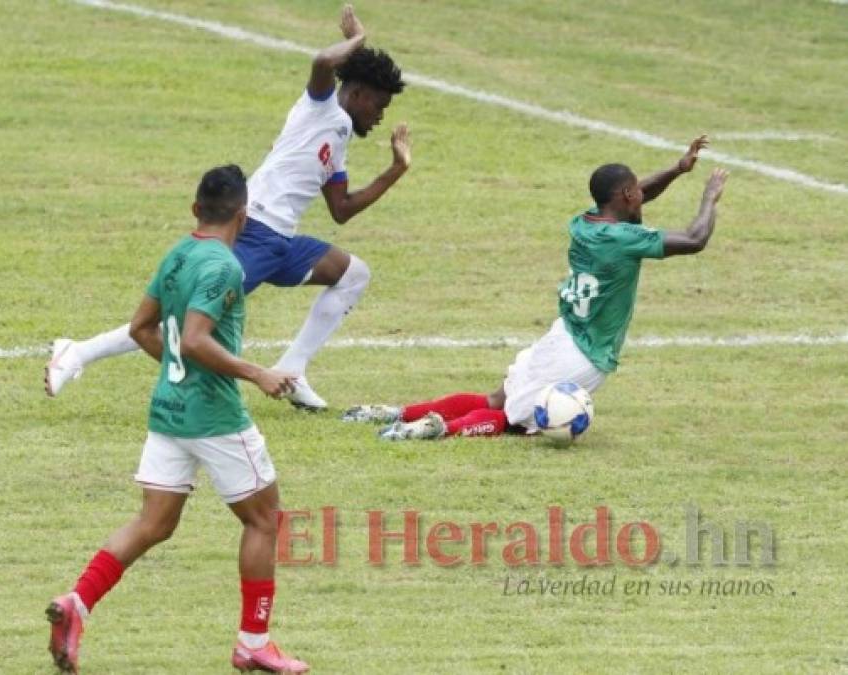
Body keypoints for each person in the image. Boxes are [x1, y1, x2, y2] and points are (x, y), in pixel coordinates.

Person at [45, 4, 410, 411]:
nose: (379, 116)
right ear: (357, 94)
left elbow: (341, 208)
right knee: (185, 321)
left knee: (353, 274)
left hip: (281, 243)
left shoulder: (339, 134)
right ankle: (77, 352)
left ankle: (294, 368)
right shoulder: (319, 107)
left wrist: (395, 170)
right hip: (254, 232)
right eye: (378, 105)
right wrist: (357, 39)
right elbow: (323, 61)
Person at [45, 165, 309, 674]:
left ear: (196, 210)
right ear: (243, 214)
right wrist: (257, 373)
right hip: (215, 418)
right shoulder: (224, 267)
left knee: (153, 523)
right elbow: (193, 339)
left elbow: (142, 326)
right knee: (262, 520)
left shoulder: (177, 255)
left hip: (167, 412)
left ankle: (78, 602)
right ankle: (254, 642)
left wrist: (177, 372)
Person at [343, 137, 728, 440]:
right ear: (626, 197)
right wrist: (709, 197)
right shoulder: (623, 239)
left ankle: (400, 412)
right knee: (511, 420)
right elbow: (695, 239)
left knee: (497, 399)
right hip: (583, 354)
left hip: (563, 333)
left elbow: (637, 192)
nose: (640, 195)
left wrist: (677, 170)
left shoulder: (585, 222)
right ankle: (437, 429)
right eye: (635, 193)